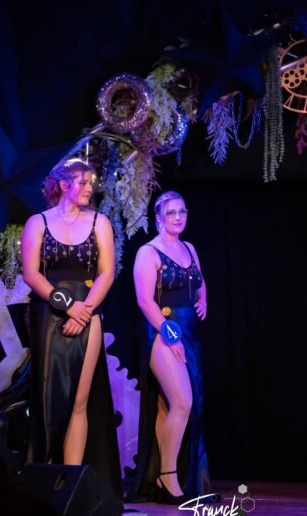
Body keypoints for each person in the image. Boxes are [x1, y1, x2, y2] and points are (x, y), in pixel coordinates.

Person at [21, 158, 121, 497]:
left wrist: (85, 310)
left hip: (88, 312)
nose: (90, 188)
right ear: (64, 185)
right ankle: (45, 484)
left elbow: (107, 273)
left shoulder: (99, 222)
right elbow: (31, 274)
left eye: (91, 182)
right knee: (50, 399)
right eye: (83, 182)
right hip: (50, 314)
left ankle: (71, 487)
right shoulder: (37, 222)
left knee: (79, 399)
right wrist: (69, 307)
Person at [132, 190, 210, 504]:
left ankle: (162, 477)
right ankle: (168, 478)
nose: (178, 217)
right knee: (182, 402)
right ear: (159, 217)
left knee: (169, 407)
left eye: (183, 212)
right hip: (162, 331)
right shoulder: (148, 252)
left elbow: (200, 280)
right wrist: (170, 335)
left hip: (190, 332)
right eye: (172, 212)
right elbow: (144, 301)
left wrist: (203, 299)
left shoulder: (189, 248)